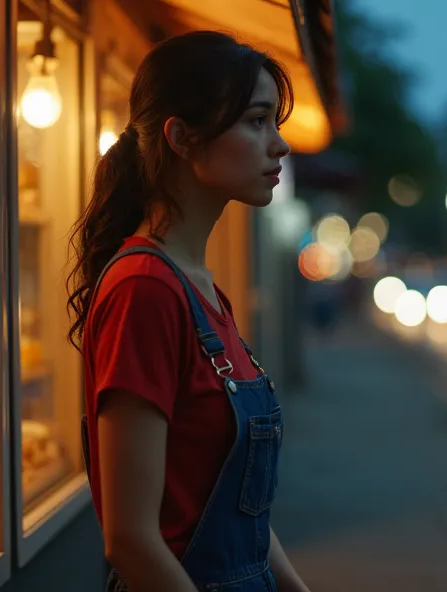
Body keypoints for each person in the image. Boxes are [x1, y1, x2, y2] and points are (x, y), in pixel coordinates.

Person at [66, 31, 309, 592]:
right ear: (181, 136)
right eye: (257, 120)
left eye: (276, 122)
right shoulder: (145, 288)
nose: (280, 145)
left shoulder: (200, 288)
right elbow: (130, 540)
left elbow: (233, 514)